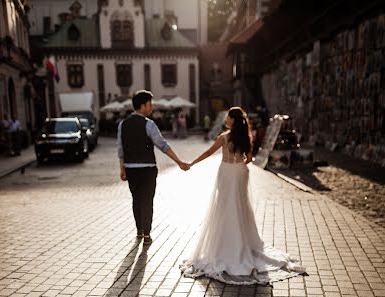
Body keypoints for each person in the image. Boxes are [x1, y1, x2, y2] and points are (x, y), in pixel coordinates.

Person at [180, 106, 306, 285]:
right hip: (240, 172)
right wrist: (240, 160)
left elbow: (209, 153)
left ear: (232, 119)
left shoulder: (224, 137)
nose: (226, 120)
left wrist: (191, 163)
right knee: (240, 205)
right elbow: (249, 158)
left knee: (225, 206)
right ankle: (241, 242)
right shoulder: (246, 136)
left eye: (228, 117)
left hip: (227, 172)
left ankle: (227, 244)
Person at [117, 89, 190, 246]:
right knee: (147, 200)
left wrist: (122, 168)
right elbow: (163, 145)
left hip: (131, 168)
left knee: (136, 199)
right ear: (142, 106)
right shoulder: (149, 124)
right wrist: (179, 161)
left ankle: (139, 230)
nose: (151, 108)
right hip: (147, 169)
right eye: (150, 104)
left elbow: (120, 148)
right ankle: (147, 234)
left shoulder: (122, 124)